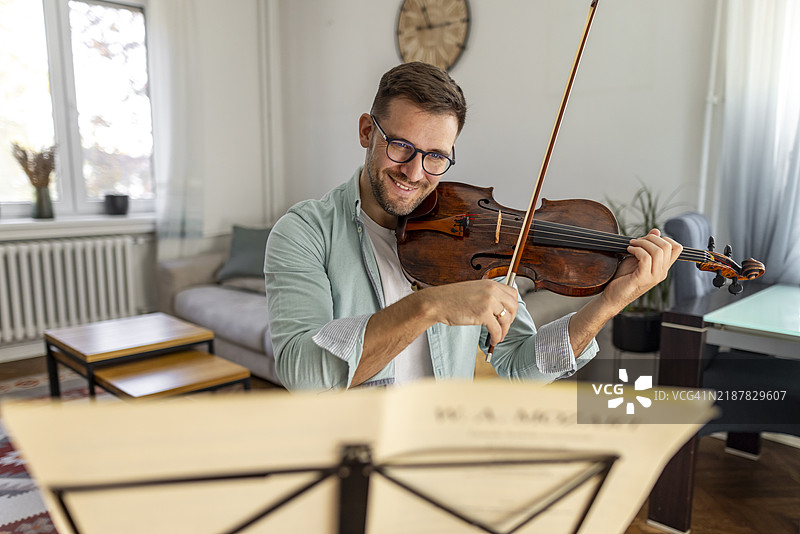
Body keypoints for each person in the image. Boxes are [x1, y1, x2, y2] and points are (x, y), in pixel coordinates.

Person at [265, 62, 681, 391]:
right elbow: (303, 375)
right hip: (354, 465)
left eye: (436, 157)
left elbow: (519, 366)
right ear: (365, 131)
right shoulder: (303, 233)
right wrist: (428, 307)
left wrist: (608, 303)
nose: (414, 172)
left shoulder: (474, 233)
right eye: (401, 146)